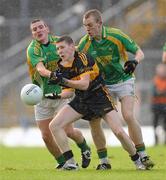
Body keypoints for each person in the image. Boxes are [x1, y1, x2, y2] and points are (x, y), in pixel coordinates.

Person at [49, 35, 146, 171]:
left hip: (99, 96)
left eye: (62, 47)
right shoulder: (60, 66)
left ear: (72, 46)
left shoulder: (82, 57)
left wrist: (63, 81)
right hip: (82, 99)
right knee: (54, 125)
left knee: (118, 131)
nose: (59, 51)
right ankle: (70, 163)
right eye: (57, 49)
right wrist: (56, 96)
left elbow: (84, 84)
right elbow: (69, 92)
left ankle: (137, 160)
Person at [77, 9, 154, 169]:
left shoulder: (116, 35)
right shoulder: (84, 43)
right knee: (94, 121)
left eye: (90, 25)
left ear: (100, 23)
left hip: (123, 80)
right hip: (102, 86)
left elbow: (139, 52)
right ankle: (104, 161)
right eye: (85, 26)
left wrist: (135, 62)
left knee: (127, 115)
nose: (87, 29)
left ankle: (143, 154)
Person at [26, 19, 91, 169]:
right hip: (42, 97)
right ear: (32, 34)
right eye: (34, 29)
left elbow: (74, 54)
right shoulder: (33, 49)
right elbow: (41, 69)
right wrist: (53, 75)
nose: (38, 30)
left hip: (62, 94)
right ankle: (64, 162)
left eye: (41, 27)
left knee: (68, 131)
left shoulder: (58, 43)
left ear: (47, 29)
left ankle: (84, 147)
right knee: (46, 136)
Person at [151, 63, 166, 145]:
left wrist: (160, 92)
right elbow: (154, 93)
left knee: (165, 124)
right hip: (156, 105)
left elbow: (158, 92)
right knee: (155, 124)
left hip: (165, 105)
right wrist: (161, 92)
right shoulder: (155, 79)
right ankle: (156, 141)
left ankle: (165, 142)